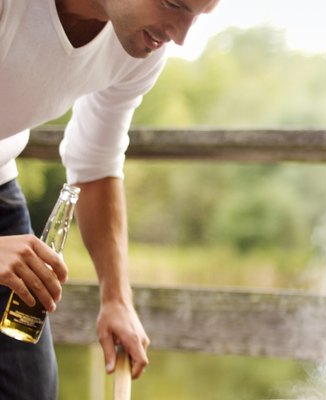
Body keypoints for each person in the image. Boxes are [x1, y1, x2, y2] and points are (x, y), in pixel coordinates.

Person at [0, 0, 219, 398]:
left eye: (198, 15)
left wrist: (116, 298)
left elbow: (96, 163)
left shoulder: (140, 43)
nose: (181, 36)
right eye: (174, 4)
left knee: (26, 390)